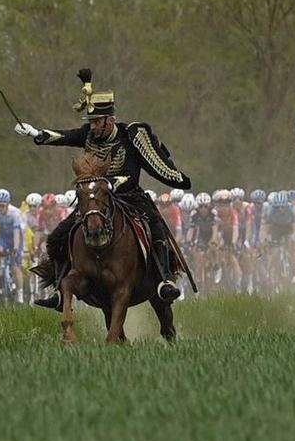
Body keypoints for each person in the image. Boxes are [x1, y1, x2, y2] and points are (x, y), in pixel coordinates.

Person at [14, 68, 192, 308]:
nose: (93, 126)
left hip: (129, 196)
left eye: (97, 121)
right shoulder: (89, 134)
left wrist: (109, 182)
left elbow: (131, 175)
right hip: (95, 199)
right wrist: (37, 133)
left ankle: (164, 281)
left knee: (157, 228)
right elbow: (65, 136)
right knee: (58, 236)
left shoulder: (130, 137)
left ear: (110, 119)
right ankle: (59, 289)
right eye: (91, 122)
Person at [0, 189, 25, 304]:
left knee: (15, 267)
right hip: (2, 236)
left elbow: (17, 232)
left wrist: (16, 248)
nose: (0, 209)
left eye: (2, 206)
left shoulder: (15, 212)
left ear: (8, 204)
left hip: (15, 237)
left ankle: (20, 295)